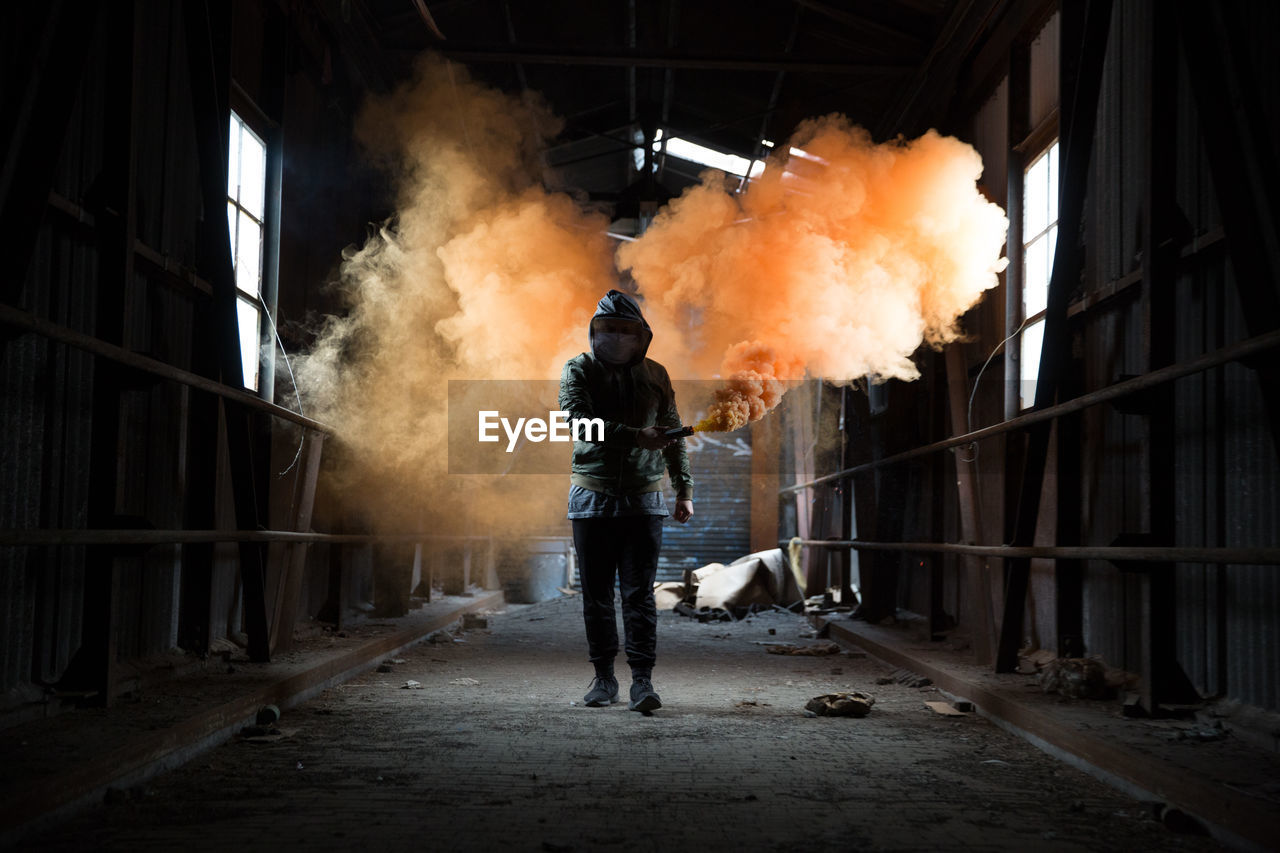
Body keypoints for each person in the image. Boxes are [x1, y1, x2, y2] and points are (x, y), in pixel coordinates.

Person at [558, 289, 694, 713]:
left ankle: (642, 682)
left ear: (641, 336)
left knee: (639, 595)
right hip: (592, 498)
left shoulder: (656, 375)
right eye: (607, 329)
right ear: (594, 333)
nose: (616, 337)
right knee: (596, 594)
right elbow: (580, 424)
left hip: (643, 501)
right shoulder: (577, 370)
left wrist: (684, 488)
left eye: (624, 330)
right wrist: (634, 435)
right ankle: (603, 679)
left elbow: (672, 436)